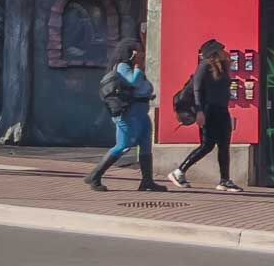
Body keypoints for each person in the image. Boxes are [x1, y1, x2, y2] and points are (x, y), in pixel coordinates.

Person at [85, 37, 167, 192]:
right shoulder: (123, 66)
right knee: (123, 145)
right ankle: (95, 176)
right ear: (131, 52)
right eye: (139, 50)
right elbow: (133, 82)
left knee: (145, 143)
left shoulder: (136, 68)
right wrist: (137, 66)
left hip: (142, 111)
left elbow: (142, 87)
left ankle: (147, 181)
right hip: (130, 112)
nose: (142, 53)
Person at [168, 40, 243, 192]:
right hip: (209, 110)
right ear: (215, 53)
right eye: (222, 50)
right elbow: (197, 89)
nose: (225, 52)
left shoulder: (223, 68)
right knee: (207, 145)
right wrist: (199, 111)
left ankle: (225, 180)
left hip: (222, 110)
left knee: (224, 145)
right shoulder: (204, 66)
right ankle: (179, 172)